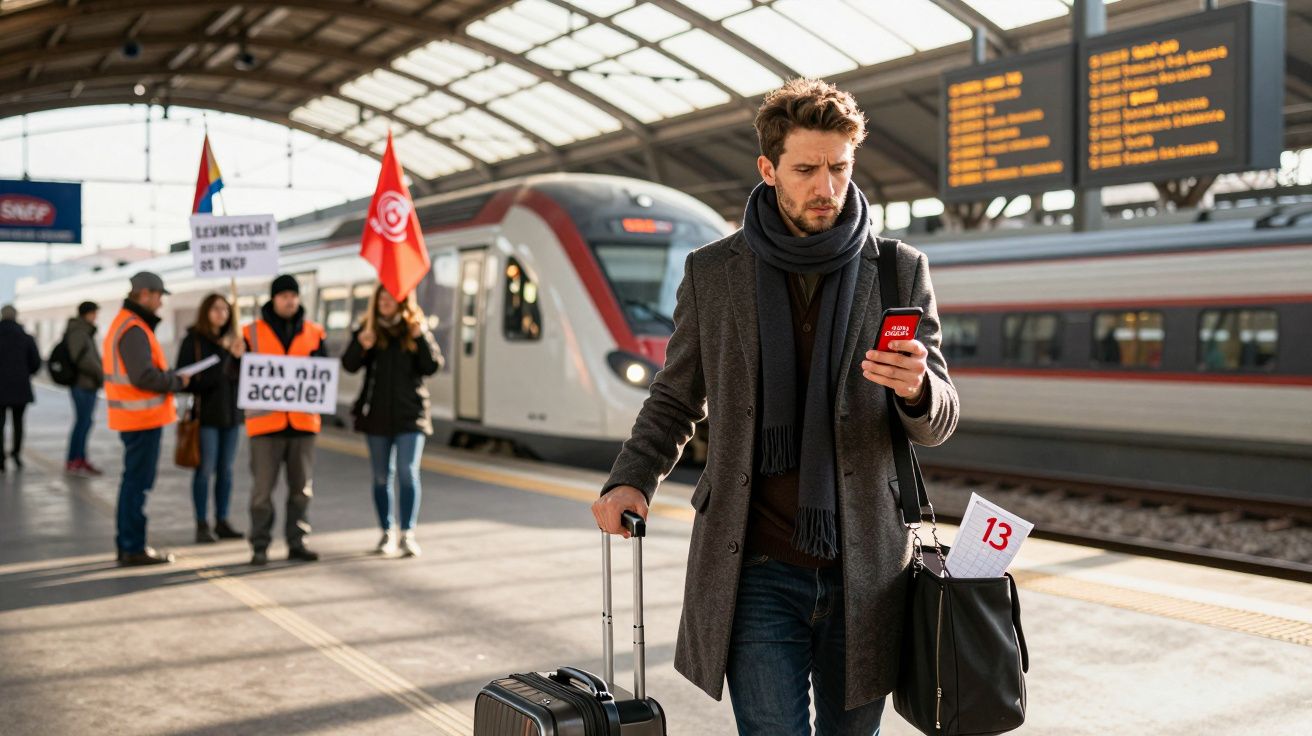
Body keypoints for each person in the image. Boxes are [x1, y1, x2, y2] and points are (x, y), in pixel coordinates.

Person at [591, 79, 959, 736]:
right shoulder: (713, 272)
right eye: (806, 169)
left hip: (866, 569)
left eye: (839, 167)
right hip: (754, 566)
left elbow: (940, 419)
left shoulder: (897, 269)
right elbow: (677, 395)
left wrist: (916, 389)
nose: (827, 187)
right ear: (768, 169)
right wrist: (631, 478)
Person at [342, 285, 443, 557]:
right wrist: (361, 345)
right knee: (381, 476)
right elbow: (349, 365)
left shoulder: (414, 329)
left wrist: (421, 337)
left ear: (402, 303)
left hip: (411, 416)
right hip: (376, 416)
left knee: (408, 473)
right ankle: (386, 531)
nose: (385, 303)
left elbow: (432, 366)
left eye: (390, 299)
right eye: (381, 299)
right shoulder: (368, 330)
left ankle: (407, 533)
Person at [103, 272, 190, 566]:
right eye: (159, 296)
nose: (161, 302)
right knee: (136, 485)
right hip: (140, 419)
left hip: (137, 418)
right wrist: (176, 381)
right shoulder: (133, 328)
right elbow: (143, 376)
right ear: (144, 294)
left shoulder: (129, 324)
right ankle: (132, 547)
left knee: (134, 483)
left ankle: (129, 545)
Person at [243, 274, 327, 566]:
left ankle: (297, 542)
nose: (290, 301)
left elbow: (322, 373)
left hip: (303, 425)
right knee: (262, 492)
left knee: (301, 490)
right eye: (284, 296)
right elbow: (236, 374)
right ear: (274, 299)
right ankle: (260, 545)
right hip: (265, 426)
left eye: (293, 295)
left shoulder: (315, 332)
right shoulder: (250, 333)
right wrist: (235, 357)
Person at [178, 294, 246, 544]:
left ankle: (222, 520)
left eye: (225, 309)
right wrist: (225, 357)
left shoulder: (236, 341)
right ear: (205, 312)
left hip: (232, 415)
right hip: (205, 415)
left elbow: (245, 378)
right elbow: (185, 380)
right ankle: (202, 523)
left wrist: (239, 357)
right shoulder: (194, 341)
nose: (221, 314)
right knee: (204, 470)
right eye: (216, 309)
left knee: (226, 471)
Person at [64, 301, 105, 476]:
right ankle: (74, 460)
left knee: (85, 422)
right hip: (82, 384)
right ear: (87, 314)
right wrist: (99, 373)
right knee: (82, 422)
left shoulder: (85, 331)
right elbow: (81, 359)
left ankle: (80, 458)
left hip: (89, 384)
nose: (96, 316)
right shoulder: (79, 331)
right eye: (94, 313)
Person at [0, 304, 40, 473]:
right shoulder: (25, 337)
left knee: (0, 424)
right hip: (20, 387)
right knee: (18, 423)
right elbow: (36, 362)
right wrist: (24, 373)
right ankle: (16, 454)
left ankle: (0, 459)